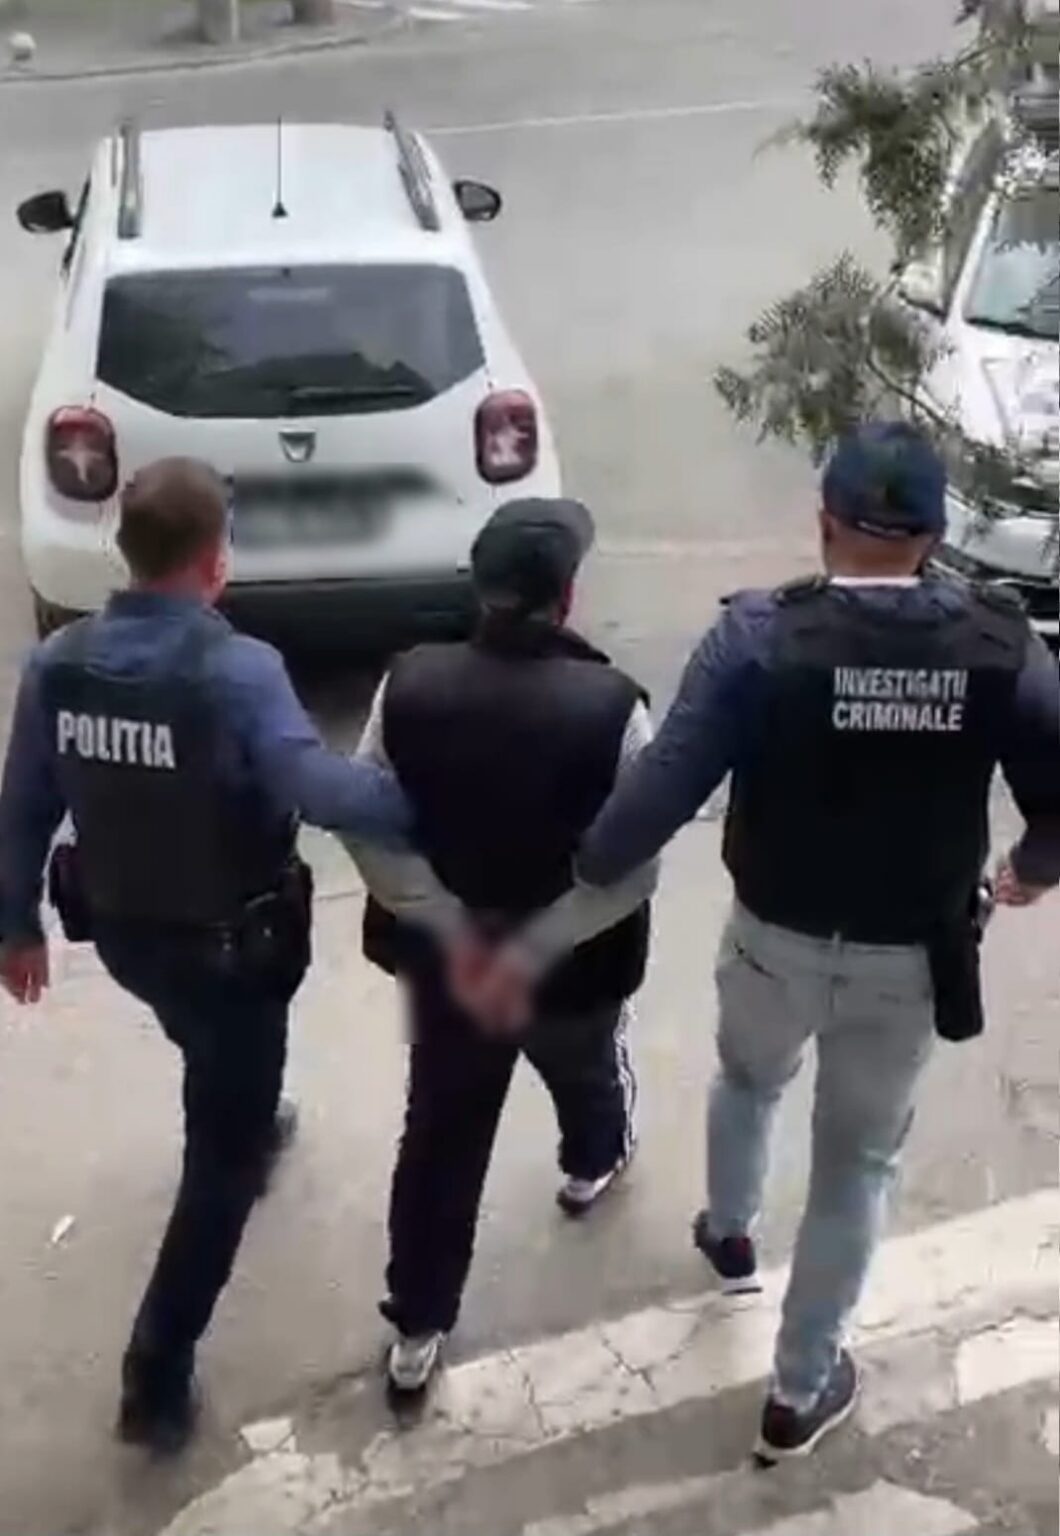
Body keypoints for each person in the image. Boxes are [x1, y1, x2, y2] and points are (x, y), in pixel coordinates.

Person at [488, 424, 1060, 1461]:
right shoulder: (1000, 642)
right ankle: (799, 1390)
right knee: (857, 1163)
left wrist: (571, 871)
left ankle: (730, 1228)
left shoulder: (759, 636)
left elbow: (652, 797)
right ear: (933, 535)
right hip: (911, 961)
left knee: (747, 1081)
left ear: (824, 525)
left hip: (771, 940)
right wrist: (1027, 872)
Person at [0, 458, 412, 1454]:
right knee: (218, 1166)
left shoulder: (61, 664)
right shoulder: (237, 673)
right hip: (234, 950)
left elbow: (23, 806)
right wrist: (439, 804)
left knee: (212, 1059)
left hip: (131, 939)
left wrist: (16, 926)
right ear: (215, 559)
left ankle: (244, 1115)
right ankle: (156, 1370)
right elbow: (317, 790)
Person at [347, 496, 657, 1395]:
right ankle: (591, 1163)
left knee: (440, 1134)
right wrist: (529, 949)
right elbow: (629, 869)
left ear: (479, 591)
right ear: (566, 598)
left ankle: (416, 1329)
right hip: (572, 969)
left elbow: (369, 826)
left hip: (449, 974)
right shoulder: (611, 706)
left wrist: (449, 924)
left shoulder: (406, 683)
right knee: (587, 1069)